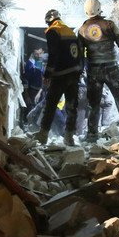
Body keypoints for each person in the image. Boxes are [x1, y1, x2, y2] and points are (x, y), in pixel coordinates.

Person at [77, 0, 119, 141]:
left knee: (93, 103)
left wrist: (80, 71)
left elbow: (79, 54)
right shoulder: (109, 25)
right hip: (111, 68)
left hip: (94, 70)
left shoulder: (82, 29)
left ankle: (92, 134)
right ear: (99, 9)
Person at [35, 9, 82, 146]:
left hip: (61, 74)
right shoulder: (69, 30)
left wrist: (47, 74)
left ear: (48, 21)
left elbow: (53, 54)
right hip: (74, 73)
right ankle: (69, 137)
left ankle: (43, 135)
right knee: (71, 106)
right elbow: (78, 53)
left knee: (50, 104)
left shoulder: (53, 31)